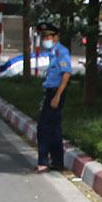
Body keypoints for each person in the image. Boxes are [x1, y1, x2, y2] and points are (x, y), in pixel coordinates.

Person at [34, 19, 73, 173]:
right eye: (44, 37)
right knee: (54, 129)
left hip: (56, 92)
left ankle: (43, 161)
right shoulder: (53, 52)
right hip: (51, 91)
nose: (46, 39)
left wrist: (57, 96)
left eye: (49, 36)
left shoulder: (61, 52)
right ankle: (57, 162)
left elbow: (66, 74)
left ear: (56, 37)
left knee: (43, 127)